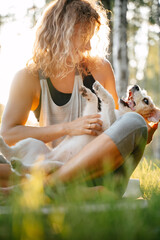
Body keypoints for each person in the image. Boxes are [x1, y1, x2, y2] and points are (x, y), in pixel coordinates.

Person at [0, 0, 158, 193]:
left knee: (134, 122)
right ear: (60, 32)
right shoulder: (29, 77)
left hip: (95, 173)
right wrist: (68, 128)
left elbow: (118, 129)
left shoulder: (100, 69)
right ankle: (59, 190)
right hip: (49, 163)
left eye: (91, 37)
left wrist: (143, 135)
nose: (89, 46)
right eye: (84, 36)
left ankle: (40, 187)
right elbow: (8, 135)